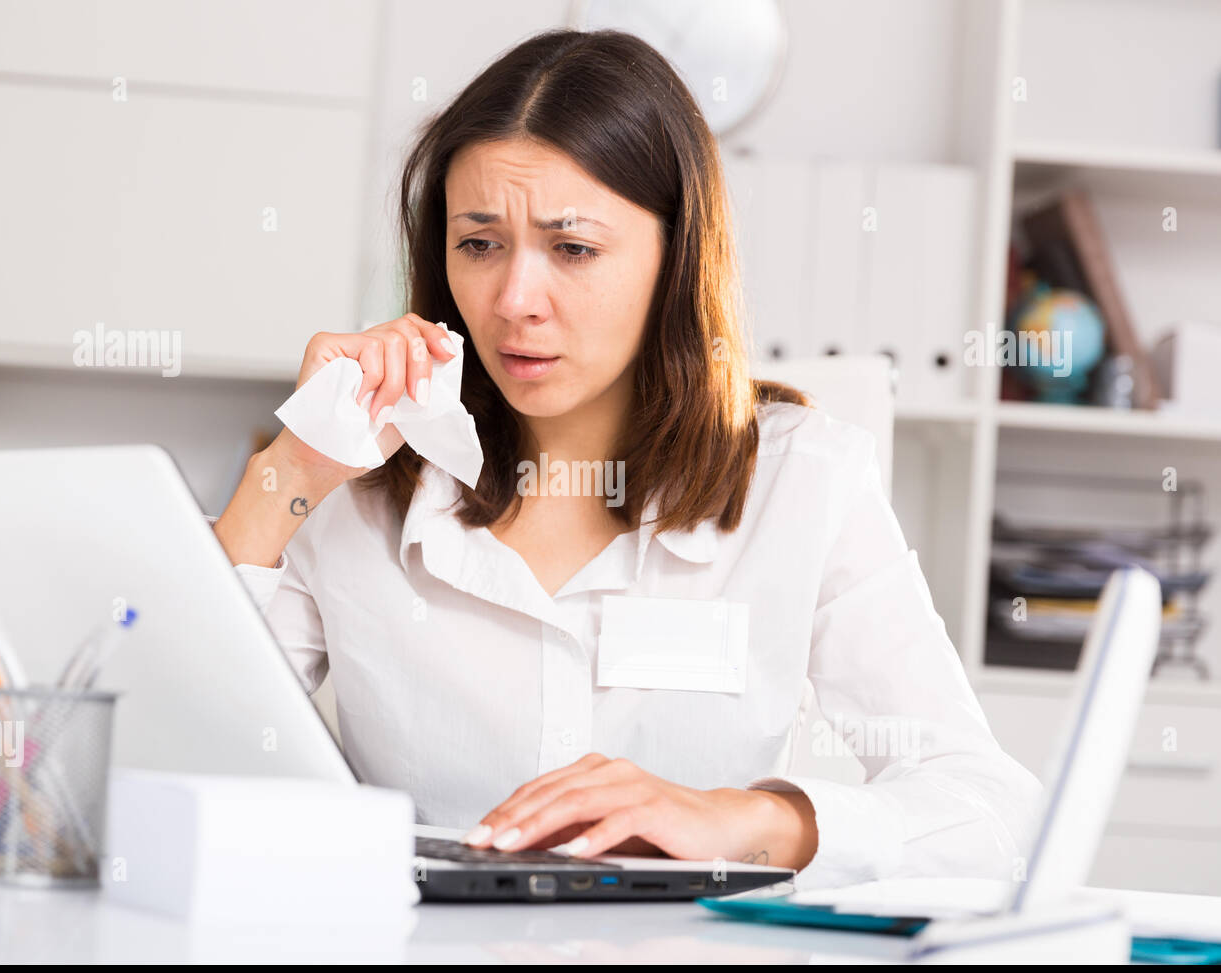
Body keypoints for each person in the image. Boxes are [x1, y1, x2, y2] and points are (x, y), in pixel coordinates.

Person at [211, 28, 1044, 890]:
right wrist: (290, 477)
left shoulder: (806, 481)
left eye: (573, 249)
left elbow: (992, 810)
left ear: (675, 256)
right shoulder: (351, 477)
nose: (514, 302)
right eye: (480, 243)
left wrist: (742, 818)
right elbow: (166, 757)